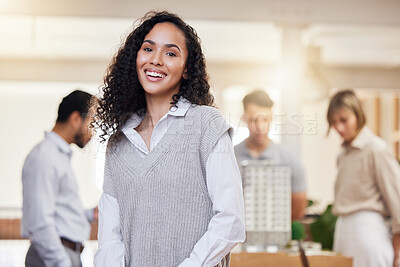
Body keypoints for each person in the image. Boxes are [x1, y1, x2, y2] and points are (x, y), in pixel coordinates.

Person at [93, 11, 245, 267]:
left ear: (186, 70)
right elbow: (110, 239)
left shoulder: (206, 124)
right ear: (136, 58)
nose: (156, 60)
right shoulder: (118, 145)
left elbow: (231, 220)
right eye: (148, 49)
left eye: (171, 53)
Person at [21, 90, 98, 267]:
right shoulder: (45, 157)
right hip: (54, 258)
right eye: (92, 123)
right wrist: (62, 262)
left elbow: (57, 211)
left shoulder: (57, 156)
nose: (93, 132)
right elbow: (39, 223)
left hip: (64, 255)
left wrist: (88, 213)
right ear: (76, 119)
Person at [327, 89, 400, 267]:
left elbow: (397, 197)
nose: (339, 127)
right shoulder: (343, 154)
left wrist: (398, 247)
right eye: (334, 122)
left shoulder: (376, 149)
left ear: (358, 115)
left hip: (368, 231)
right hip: (344, 229)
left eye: (344, 120)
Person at [234, 90, 307, 221]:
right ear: (243, 118)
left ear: (272, 118)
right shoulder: (230, 157)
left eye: (265, 119)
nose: (260, 126)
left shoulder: (289, 159)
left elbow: (299, 207)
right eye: (253, 120)